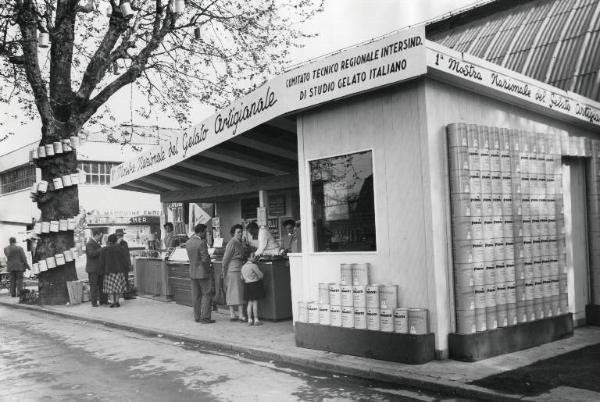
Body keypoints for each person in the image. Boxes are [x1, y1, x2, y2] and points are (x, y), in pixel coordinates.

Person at [186, 224, 215, 324]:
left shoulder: (188, 242)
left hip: (193, 272)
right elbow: (205, 259)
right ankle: (205, 318)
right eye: (205, 232)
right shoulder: (201, 243)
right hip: (203, 273)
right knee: (207, 294)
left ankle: (197, 316)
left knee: (196, 296)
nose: (206, 234)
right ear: (201, 232)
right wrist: (209, 269)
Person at [221, 224, 247, 322]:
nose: (240, 234)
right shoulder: (232, 243)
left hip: (236, 269)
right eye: (238, 232)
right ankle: (239, 314)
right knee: (237, 292)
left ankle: (233, 314)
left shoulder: (238, 242)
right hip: (234, 269)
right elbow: (225, 259)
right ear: (233, 233)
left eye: (241, 232)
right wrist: (223, 270)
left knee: (232, 291)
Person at [100, 234, 129, 308]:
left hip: (108, 271)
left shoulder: (104, 249)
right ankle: (117, 301)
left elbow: (102, 262)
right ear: (116, 240)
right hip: (118, 270)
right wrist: (126, 268)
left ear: (109, 241)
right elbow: (124, 259)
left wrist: (102, 270)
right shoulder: (120, 248)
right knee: (117, 287)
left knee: (111, 288)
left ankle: (112, 302)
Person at [241, 255, 265, 326]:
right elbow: (261, 275)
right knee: (255, 303)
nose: (254, 257)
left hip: (247, 285)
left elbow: (241, 278)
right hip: (254, 285)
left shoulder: (243, 266)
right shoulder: (254, 265)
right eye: (252, 256)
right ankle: (256, 320)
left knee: (249, 303)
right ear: (248, 258)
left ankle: (249, 320)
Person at [86, 230, 107, 307]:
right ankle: (94, 303)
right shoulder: (89, 243)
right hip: (93, 269)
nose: (100, 237)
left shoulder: (96, 243)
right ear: (96, 235)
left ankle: (103, 301)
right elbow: (91, 254)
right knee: (94, 286)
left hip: (99, 269)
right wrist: (101, 249)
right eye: (100, 236)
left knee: (102, 286)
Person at [115, 229, 133, 295]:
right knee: (118, 280)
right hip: (117, 265)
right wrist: (117, 243)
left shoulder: (125, 243)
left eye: (121, 235)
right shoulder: (113, 243)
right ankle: (119, 295)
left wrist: (129, 264)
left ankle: (127, 294)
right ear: (116, 236)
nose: (120, 237)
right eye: (119, 235)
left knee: (126, 279)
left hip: (124, 265)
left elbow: (127, 254)